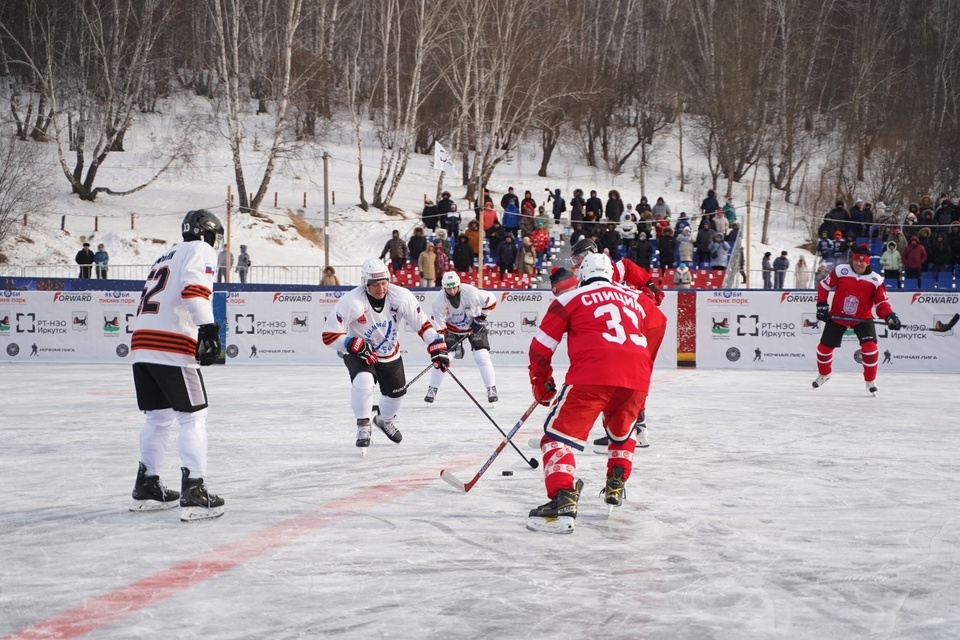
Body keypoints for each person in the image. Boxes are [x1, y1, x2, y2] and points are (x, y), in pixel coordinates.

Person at [525, 253, 654, 533]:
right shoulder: (637, 298)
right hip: (636, 377)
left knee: (556, 438)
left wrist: (542, 382)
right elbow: (657, 323)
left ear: (581, 274)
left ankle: (562, 500)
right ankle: (616, 483)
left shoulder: (570, 298)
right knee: (622, 432)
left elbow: (540, 348)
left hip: (592, 376)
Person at [129, 209, 226, 521]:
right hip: (170, 343)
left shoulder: (164, 255)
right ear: (208, 233)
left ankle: (147, 484)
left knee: (157, 420)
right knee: (194, 417)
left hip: (143, 343)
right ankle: (194, 490)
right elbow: (193, 292)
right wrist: (209, 331)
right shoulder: (201, 249)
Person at [321, 258, 449, 449]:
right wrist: (351, 343)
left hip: (390, 352)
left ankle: (384, 420)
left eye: (384, 283)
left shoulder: (401, 297)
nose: (380, 288)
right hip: (360, 351)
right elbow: (329, 335)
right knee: (363, 380)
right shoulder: (352, 301)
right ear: (366, 283)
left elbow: (422, 324)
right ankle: (363, 425)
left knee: (396, 394)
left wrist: (437, 345)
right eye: (375, 284)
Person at [570, 238, 666, 452]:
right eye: (575, 259)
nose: (577, 264)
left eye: (579, 258)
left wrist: (651, 290)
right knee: (626, 378)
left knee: (626, 377)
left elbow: (631, 269)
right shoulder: (594, 277)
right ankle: (635, 430)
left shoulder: (609, 270)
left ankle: (628, 432)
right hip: (643, 325)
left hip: (646, 325)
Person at [813, 244, 901, 395]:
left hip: (862, 318)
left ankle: (870, 380)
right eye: (856, 260)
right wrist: (821, 305)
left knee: (870, 349)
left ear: (868, 262)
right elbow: (823, 287)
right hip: (838, 316)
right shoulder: (841, 271)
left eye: (862, 261)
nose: (858, 264)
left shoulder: (876, 280)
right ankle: (824, 374)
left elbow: (881, 303)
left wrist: (889, 316)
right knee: (823, 350)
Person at [424, 271, 498, 404]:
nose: (452, 291)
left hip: (474, 326)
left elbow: (492, 301)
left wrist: (481, 318)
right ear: (443, 288)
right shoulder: (438, 302)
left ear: (459, 285)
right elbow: (440, 329)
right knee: (444, 359)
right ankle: (432, 389)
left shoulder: (472, 292)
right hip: (452, 330)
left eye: (454, 287)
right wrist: (440, 349)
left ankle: (491, 388)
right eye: (448, 288)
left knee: (482, 355)